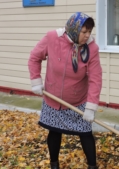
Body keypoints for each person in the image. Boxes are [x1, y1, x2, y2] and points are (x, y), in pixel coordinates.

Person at [28, 12, 102, 169]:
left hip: (78, 100)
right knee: (54, 131)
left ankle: (92, 166)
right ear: (73, 29)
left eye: (89, 32)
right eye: (84, 32)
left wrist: (91, 106)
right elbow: (34, 57)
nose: (87, 35)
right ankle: (54, 165)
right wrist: (36, 80)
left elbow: (96, 79)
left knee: (85, 133)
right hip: (53, 99)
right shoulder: (52, 38)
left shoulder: (91, 48)